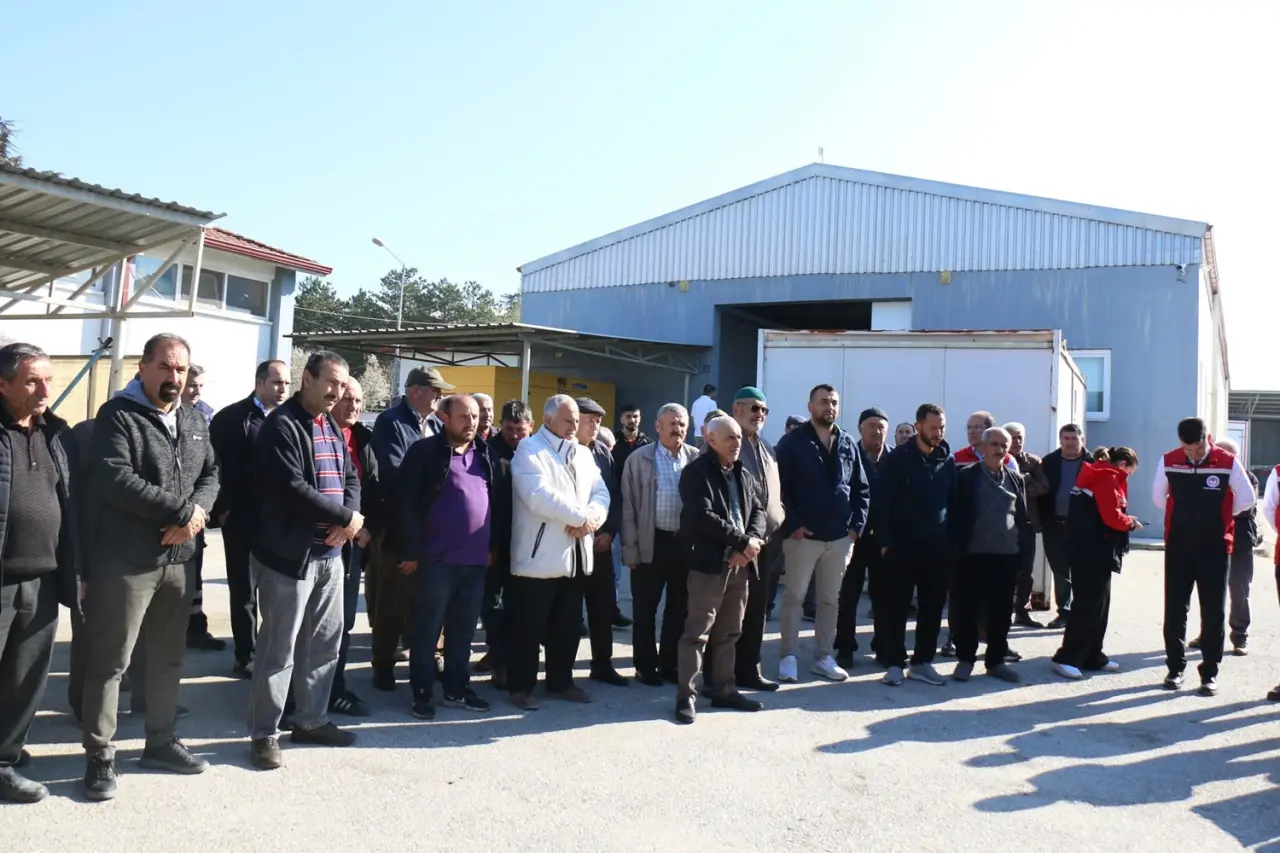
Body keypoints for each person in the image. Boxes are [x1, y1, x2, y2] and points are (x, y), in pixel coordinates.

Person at [80, 333, 219, 801]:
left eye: (180, 369)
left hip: (179, 561)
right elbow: (115, 477)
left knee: (167, 657)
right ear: (143, 368)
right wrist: (181, 513)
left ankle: (160, 741)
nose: (173, 377)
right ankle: (99, 755)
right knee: (111, 661)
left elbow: (211, 474)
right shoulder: (118, 415)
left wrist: (196, 514)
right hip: (127, 561)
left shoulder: (194, 418)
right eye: (165, 367)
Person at [247, 350, 363, 770]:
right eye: (330, 382)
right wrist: (346, 519)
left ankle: (311, 720)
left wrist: (347, 520)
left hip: (330, 555)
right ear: (307, 379)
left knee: (324, 645)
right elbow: (291, 488)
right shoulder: (283, 425)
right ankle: (264, 733)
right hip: (289, 558)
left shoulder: (329, 424)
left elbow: (350, 477)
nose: (337, 392)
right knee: (278, 650)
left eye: (342, 385)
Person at [0, 344, 80, 803]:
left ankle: (5, 757)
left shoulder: (56, 434)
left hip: (44, 577)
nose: (45, 389)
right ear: (3, 385)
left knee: (25, 677)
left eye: (48, 379)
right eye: (33, 380)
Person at [506, 395, 610, 709]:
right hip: (539, 557)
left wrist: (591, 519)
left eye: (577, 421)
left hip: (575, 555)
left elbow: (601, 492)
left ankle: (560, 682)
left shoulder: (583, 454)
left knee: (567, 625)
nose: (574, 426)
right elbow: (538, 495)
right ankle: (521, 688)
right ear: (548, 419)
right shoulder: (529, 449)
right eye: (568, 420)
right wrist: (580, 518)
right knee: (528, 627)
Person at [399, 394, 494, 719]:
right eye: (464, 416)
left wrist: (493, 547)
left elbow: (496, 501)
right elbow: (406, 504)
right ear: (444, 418)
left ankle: (456, 688)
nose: (471, 422)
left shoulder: (484, 453)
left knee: (463, 632)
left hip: (475, 562)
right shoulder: (424, 452)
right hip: (435, 561)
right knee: (427, 632)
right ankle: (422, 692)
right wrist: (409, 551)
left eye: (475, 417)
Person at [674, 415, 768, 724]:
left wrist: (750, 543)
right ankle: (686, 696)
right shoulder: (695, 473)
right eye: (730, 437)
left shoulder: (742, 472)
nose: (737, 443)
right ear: (711, 439)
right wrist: (743, 542)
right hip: (709, 565)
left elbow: (758, 511)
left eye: (739, 437)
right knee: (697, 634)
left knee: (729, 632)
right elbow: (702, 516)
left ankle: (724, 689)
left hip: (740, 565)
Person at [774, 384, 870, 683]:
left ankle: (823, 657)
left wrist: (855, 528)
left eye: (834, 402)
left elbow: (861, 488)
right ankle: (788, 656)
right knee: (795, 597)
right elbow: (779, 488)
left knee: (830, 600)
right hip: (803, 537)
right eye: (823, 402)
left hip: (840, 538)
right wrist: (793, 524)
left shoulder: (847, 442)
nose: (830, 407)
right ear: (810, 406)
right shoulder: (793, 442)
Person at [1152, 417, 1254, 695]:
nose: (1193, 454)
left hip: (1215, 547)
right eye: (1187, 449)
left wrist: (1220, 516)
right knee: (1175, 609)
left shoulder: (1227, 461)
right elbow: (1159, 498)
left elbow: (1246, 498)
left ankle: (1209, 673)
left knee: (1213, 611)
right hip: (1178, 545)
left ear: (1206, 438)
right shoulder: (1169, 460)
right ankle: (1175, 669)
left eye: (1197, 448)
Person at [368, 366, 455, 689]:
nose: (440, 397)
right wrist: (435, 486)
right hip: (398, 527)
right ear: (416, 391)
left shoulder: (436, 424)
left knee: (433, 599)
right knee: (393, 600)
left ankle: (430, 656)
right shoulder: (391, 422)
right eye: (435, 391)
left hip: (435, 528)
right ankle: (383, 663)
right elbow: (394, 473)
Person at [209, 358, 290, 678]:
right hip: (241, 518)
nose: (283, 389)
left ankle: (274, 652)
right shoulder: (232, 418)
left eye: (286, 383)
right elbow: (212, 466)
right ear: (259, 382)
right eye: (277, 382)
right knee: (244, 590)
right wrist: (223, 508)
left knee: (278, 590)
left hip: (279, 522)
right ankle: (246, 654)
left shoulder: (289, 418)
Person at [703, 387, 782, 692]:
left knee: (757, 609)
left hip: (763, 544)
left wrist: (779, 514)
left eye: (764, 410)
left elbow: (769, 496)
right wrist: (743, 541)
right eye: (754, 408)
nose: (759, 414)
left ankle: (749, 670)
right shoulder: (719, 444)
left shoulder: (766, 447)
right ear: (736, 408)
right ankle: (716, 678)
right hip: (732, 546)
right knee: (725, 615)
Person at [875, 403, 958, 687]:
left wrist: (953, 543)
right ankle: (895, 663)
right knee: (896, 607)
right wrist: (885, 541)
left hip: (937, 548)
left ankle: (923, 662)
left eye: (942, 427)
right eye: (933, 427)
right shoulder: (898, 459)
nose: (938, 433)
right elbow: (882, 501)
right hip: (902, 546)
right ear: (919, 426)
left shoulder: (947, 460)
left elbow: (955, 503)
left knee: (932, 608)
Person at [620, 403, 698, 685]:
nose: (678, 429)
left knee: (679, 609)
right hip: (650, 541)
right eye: (672, 424)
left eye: (682, 425)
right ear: (658, 426)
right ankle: (644, 666)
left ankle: (669, 664)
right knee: (645, 609)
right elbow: (628, 507)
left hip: (684, 545)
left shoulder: (696, 458)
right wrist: (630, 549)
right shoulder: (639, 459)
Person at [1052, 447, 1141, 680]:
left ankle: (1092, 654)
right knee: (1087, 604)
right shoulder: (1106, 477)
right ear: (1123, 464)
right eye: (1130, 472)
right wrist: (1130, 523)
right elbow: (1111, 516)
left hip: (1094, 549)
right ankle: (1067, 657)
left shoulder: (1097, 474)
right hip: (1091, 549)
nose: (1128, 477)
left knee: (1099, 604)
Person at [950, 427, 1029, 684]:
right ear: (982, 447)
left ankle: (995, 661)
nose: (1000, 449)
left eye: (1004, 445)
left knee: (1001, 612)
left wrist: (1023, 554)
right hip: (972, 555)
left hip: (1006, 556)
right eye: (994, 444)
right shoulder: (966, 476)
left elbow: (1021, 518)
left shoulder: (1015, 479)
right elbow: (955, 515)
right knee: (966, 610)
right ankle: (965, 659)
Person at [327, 379, 378, 717]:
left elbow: (372, 486)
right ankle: (298, 695)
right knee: (313, 625)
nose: (354, 406)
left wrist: (365, 528)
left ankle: (334, 688)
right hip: (320, 542)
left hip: (353, 543)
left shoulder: (363, 438)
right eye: (347, 399)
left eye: (359, 400)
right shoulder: (317, 432)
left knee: (343, 622)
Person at [476, 400, 531, 687]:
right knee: (492, 604)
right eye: (509, 429)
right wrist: (490, 546)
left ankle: (505, 654)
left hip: (528, 542)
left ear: (531, 426)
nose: (515, 436)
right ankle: (498, 657)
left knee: (519, 605)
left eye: (520, 430)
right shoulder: (489, 451)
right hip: (496, 542)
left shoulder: (535, 452)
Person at [574, 397, 628, 686]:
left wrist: (610, 533)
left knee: (602, 607)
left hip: (601, 544)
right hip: (571, 544)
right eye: (589, 419)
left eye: (598, 420)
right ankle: (561, 671)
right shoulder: (563, 450)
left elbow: (614, 496)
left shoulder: (602, 452)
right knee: (569, 611)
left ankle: (602, 664)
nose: (595, 425)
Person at [834, 407, 892, 670]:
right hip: (853, 536)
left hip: (884, 539)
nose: (877, 431)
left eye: (881, 426)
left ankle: (883, 645)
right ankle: (845, 647)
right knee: (848, 596)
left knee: (884, 596)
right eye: (871, 425)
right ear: (860, 429)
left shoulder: (894, 458)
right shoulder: (848, 454)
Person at [1188, 437, 1257, 656]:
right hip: (1212, 540)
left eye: (1228, 454)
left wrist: (1219, 508)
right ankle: (1207, 634)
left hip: (1240, 542)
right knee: (1209, 592)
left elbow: (1246, 508)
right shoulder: (1207, 474)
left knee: (1239, 591)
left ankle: (1239, 637)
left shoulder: (1248, 478)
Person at [180, 364, 222, 653]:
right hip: (173, 509)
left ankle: (195, 628)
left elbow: (212, 467)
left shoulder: (205, 415)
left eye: (200, 386)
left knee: (194, 573)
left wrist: (204, 507)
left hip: (197, 510)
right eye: (192, 384)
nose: (196, 391)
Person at [1038, 424, 1087, 629]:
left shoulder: (1092, 462)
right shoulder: (1049, 462)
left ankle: (1082, 614)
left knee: (1082, 570)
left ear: (1082, 440)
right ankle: (1064, 613)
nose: (1070, 442)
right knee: (1060, 572)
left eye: (1074, 438)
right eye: (1066, 438)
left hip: (1083, 527)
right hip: (1054, 525)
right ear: (1060, 440)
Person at [1004, 422, 1050, 629]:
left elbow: (1043, 487)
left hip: (1026, 522)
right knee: (1004, 570)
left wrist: (1020, 483)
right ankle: (1001, 612)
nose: (1017, 441)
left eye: (1020, 437)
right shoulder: (999, 458)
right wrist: (1025, 479)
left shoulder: (1033, 461)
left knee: (1026, 570)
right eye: (1013, 437)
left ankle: (1022, 612)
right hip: (1002, 523)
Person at [612, 403, 651, 474]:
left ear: (640, 419)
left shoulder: (648, 444)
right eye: (628, 416)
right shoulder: (612, 441)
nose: (632, 420)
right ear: (621, 419)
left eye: (635, 416)